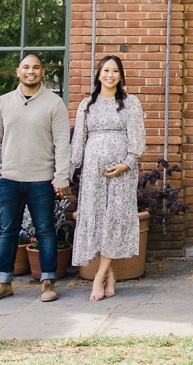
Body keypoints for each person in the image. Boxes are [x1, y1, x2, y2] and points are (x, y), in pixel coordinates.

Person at [0, 53, 70, 303]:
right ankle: (3, 283)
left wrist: (61, 175)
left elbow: (62, 143)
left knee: (45, 230)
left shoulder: (54, 104)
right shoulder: (3, 102)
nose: (30, 71)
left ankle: (48, 282)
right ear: (17, 72)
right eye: (26, 67)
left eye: (36, 67)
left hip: (41, 179)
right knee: (8, 231)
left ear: (42, 73)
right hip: (8, 179)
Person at [70, 55, 147, 301]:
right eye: (106, 70)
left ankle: (98, 277)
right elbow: (79, 140)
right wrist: (72, 168)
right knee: (98, 219)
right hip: (93, 172)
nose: (110, 75)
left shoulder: (130, 103)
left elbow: (138, 139)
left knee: (114, 219)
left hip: (120, 172)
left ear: (121, 76)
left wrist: (126, 164)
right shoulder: (87, 104)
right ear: (98, 74)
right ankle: (110, 274)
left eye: (115, 71)